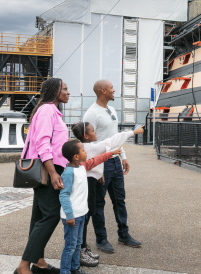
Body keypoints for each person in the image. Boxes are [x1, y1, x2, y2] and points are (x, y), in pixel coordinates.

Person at [15, 78, 70, 274]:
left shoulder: (50, 111)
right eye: (64, 89)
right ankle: (23, 266)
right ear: (55, 91)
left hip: (48, 168)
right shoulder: (47, 110)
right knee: (51, 214)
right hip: (48, 169)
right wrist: (54, 172)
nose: (68, 92)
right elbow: (42, 143)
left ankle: (38, 261)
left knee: (39, 215)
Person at [71, 122, 145, 267]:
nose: (95, 132)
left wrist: (100, 171)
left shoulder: (83, 146)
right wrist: (133, 132)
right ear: (86, 135)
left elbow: (92, 162)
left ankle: (83, 247)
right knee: (85, 217)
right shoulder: (90, 147)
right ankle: (80, 251)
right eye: (93, 131)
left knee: (86, 216)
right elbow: (111, 142)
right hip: (88, 184)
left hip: (91, 181)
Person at [83, 80, 140, 253]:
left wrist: (123, 156)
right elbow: (87, 145)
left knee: (119, 200)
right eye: (111, 88)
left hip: (115, 162)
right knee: (99, 203)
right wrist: (96, 169)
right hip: (101, 163)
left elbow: (115, 137)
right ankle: (101, 240)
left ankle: (124, 235)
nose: (114, 90)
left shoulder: (112, 110)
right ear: (103, 91)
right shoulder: (91, 114)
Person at [58, 140, 120, 274]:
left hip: (81, 214)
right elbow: (64, 195)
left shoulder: (82, 166)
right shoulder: (68, 173)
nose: (87, 153)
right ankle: (65, 271)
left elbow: (96, 160)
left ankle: (75, 268)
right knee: (70, 246)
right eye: (83, 151)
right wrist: (69, 215)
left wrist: (111, 153)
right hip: (72, 216)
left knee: (77, 244)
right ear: (76, 156)